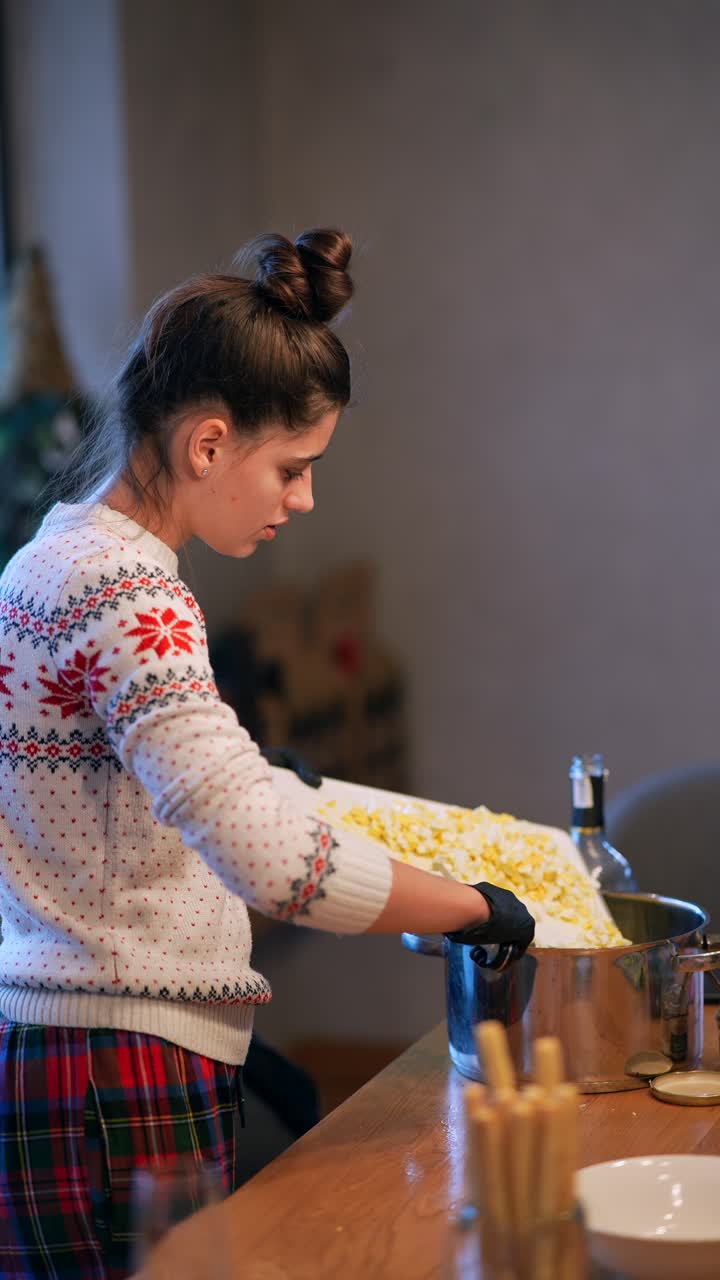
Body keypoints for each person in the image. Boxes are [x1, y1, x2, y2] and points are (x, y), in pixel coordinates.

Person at [0, 228, 534, 1278]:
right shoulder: (132, 591)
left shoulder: (57, 554)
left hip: (76, 1044)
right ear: (208, 443)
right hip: (117, 1067)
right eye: (292, 467)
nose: (304, 498)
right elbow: (275, 861)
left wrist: (244, 773)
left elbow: (108, 783)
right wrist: (474, 905)